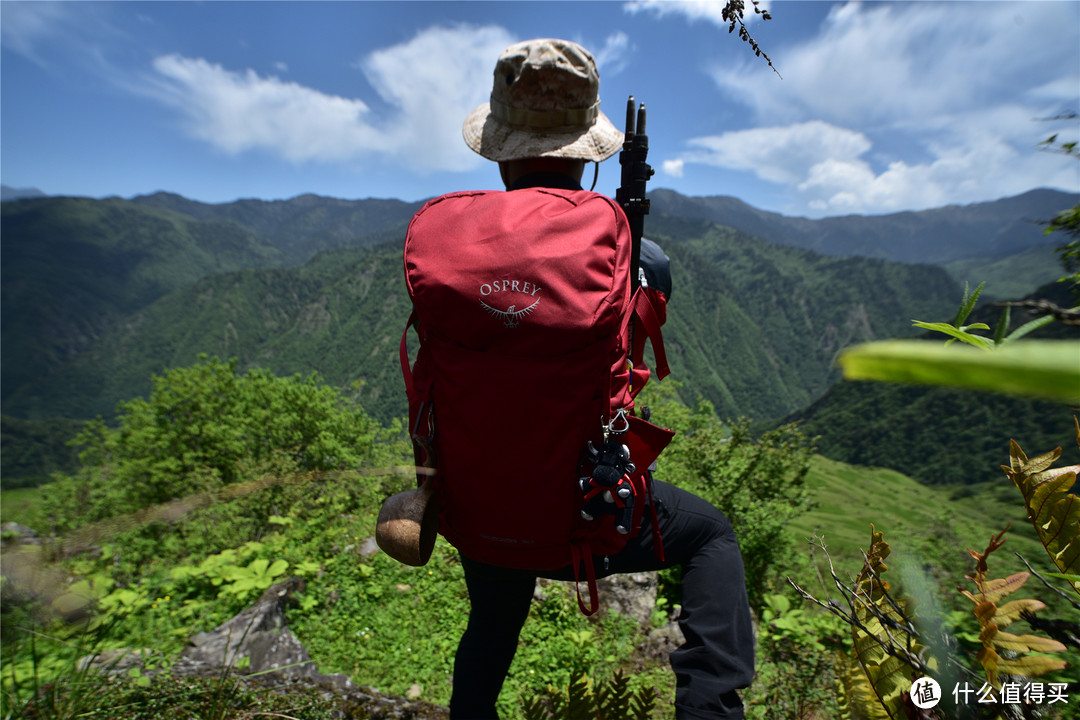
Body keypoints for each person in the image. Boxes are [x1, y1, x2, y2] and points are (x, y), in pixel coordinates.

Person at [449, 38, 755, 719]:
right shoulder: (636, 256)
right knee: (711, 534)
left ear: (499, 151)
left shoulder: (449, 254)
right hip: (584, 516)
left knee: (492, 624)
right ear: (589, 154)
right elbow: (629, 361)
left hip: (475, 506)